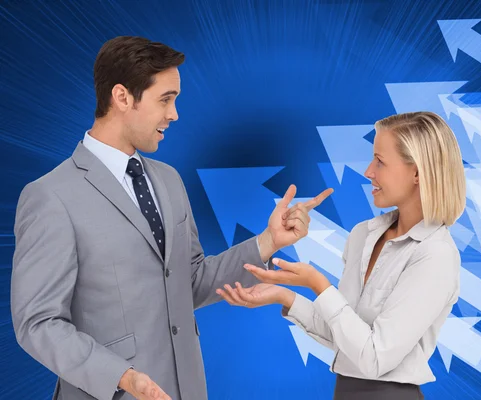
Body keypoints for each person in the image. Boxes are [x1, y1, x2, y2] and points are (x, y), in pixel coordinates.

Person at [10, 36, 332, 400]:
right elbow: (38, 324)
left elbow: (189, 282)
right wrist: (124, 377)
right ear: (121, 97)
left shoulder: (168, 180)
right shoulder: (51, 196)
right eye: (166, 99)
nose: (174, 114)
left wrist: (268, 242)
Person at [217, 111, 466, 400]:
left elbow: (374, 357)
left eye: (380, 161)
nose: (369, 171)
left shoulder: (434, 255)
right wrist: (283, 296)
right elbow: (344, 334)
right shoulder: (363, 235)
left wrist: (318, 285)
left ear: (417, 172)